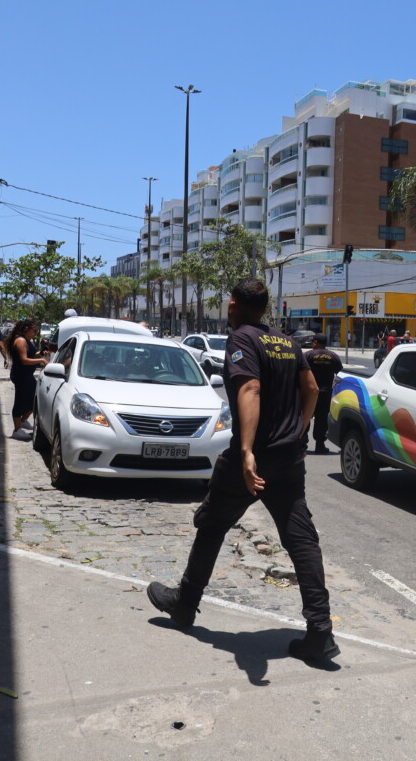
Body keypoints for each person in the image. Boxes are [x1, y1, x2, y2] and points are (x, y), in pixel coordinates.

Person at [147, 279, 338, 666]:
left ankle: (185, 603)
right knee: (302, 539)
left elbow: (249, 389)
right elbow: (313, 390)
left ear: (234, 305)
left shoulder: (242, 340)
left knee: (212, 524)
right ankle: (320, 632)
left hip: (249, 461)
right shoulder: (288, 342)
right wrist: (296, 432)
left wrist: (248, 450)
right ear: (265, 306)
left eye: (229, 303)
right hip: (289, 459)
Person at [5, 320, 47, 440]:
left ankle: (22, 421)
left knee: (32, 401)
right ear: (26, 329)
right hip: (21, 375)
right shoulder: (21, 340)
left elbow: (29, 355)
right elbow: (24, 360)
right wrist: (42, 360)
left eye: (37, 331)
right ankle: (17, 430)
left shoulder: (26, 340)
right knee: (20, 402)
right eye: (34, 330)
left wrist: (40, 353)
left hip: (27, 375)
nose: (35, 333)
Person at [304, 334, 343, 455]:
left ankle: (302, 444)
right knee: (321, 419)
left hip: (309, 392)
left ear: (315, 342)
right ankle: (319, 445)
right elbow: (339, 373)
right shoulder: (333, 356)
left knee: (305, 416)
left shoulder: (308, 355)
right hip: (325, 393)